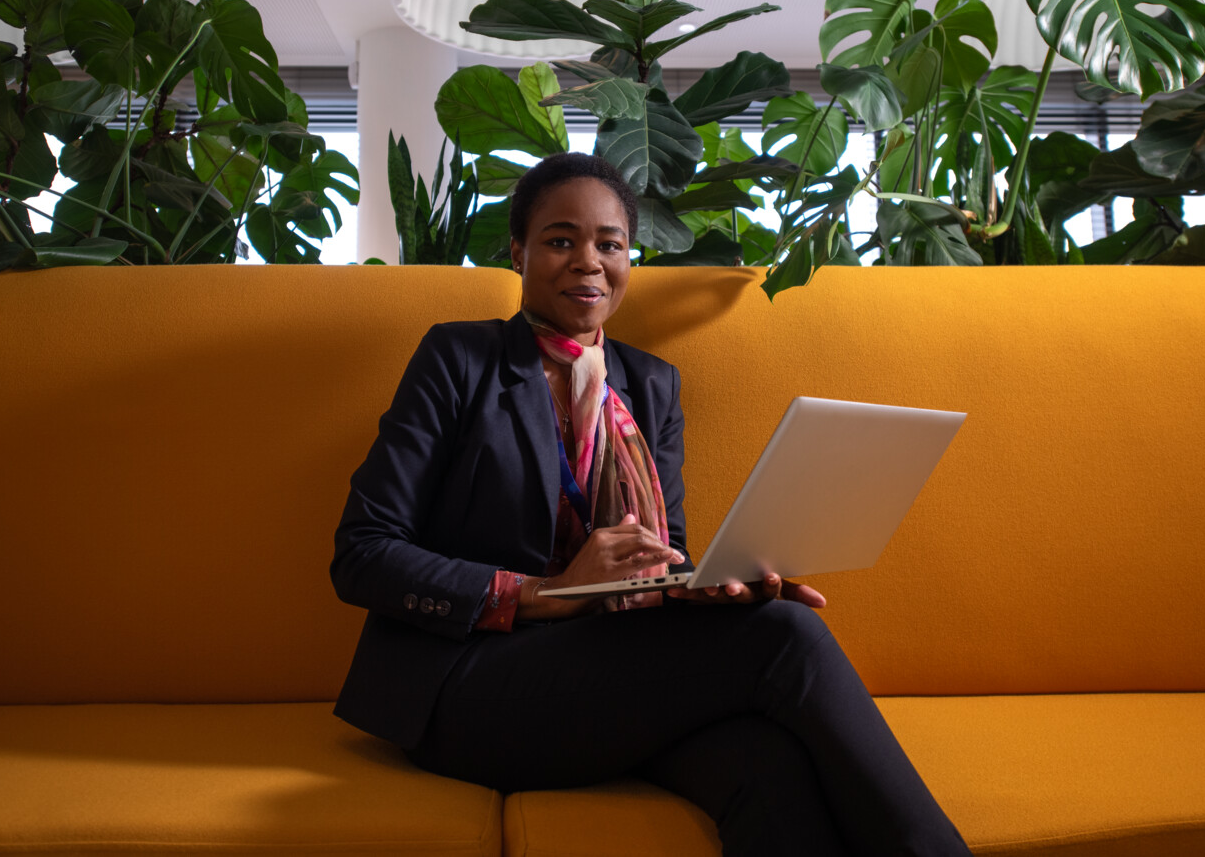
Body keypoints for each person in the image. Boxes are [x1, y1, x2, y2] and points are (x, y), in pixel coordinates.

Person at [331, 152, 972, 856]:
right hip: (469, 685)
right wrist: (546, 591)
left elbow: (666, 556)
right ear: (518, 252)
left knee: (770, 767)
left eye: (610, 244)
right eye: (559, 240)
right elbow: (363, 554)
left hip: (609, 677)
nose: (588, 262)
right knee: (786, 637)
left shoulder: (650, 385)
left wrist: (713, 591)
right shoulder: (458, 360)